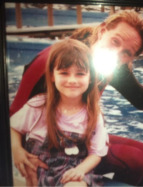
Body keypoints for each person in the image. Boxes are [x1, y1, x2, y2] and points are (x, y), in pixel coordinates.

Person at [9, 10, 143, 186]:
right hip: (50, 152)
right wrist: (18, 152)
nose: (116, 53)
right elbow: (12, 115)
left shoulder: (113, 66)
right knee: (135, 160)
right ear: (103, 30)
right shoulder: (56, 61)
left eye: (126, 53)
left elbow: (142, 100)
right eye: (115, 41)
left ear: (130, 59)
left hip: (79, 139)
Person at [10, 39, 109, 186]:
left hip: (72, 172)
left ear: (90, 78)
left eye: (80, 74)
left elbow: (96, 153)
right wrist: (17, 150)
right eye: (64, 73)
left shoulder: (92, 114)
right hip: (39, 171)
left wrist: (80, 170)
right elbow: (12, 128)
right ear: (52, 75)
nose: (72, 80)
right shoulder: (38, 106)